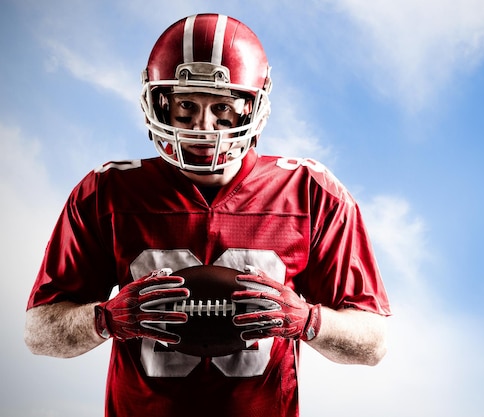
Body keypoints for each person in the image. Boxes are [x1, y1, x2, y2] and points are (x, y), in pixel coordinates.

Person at [24, 13, 391, 417]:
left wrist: (306, 320)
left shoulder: (310, 192)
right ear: (160, 102)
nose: (203, 127)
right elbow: (39, 332)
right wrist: (105, 320)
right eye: (186, 106)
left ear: (253, 107)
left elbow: (372, 341)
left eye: (223, 108)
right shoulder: (107, 192)